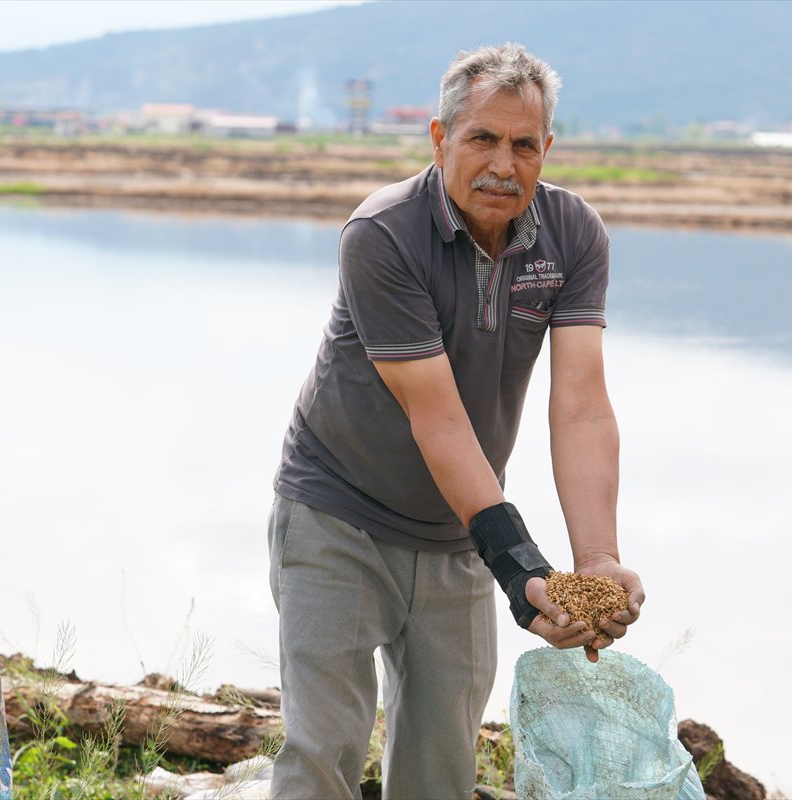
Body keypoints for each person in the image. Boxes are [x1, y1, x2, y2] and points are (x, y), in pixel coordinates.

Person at [267, 43, 644, 799]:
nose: (503, 164)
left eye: (524, 145)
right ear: (441, 141)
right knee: (325, 751)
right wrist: (522, 569)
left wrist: (596, 560)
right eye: (481, 139)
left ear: (547, 150)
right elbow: (436, 418)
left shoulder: (573, 235)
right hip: (338, 517)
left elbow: (580, 408)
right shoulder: (383, 236)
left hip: (456, 535)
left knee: (441, 767)